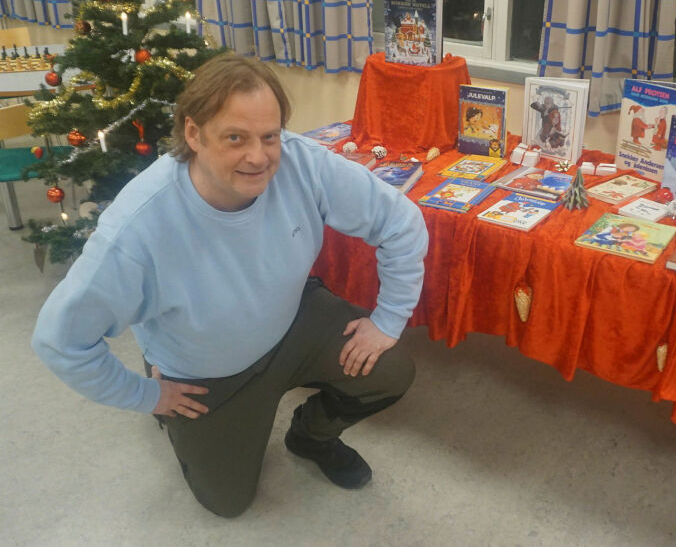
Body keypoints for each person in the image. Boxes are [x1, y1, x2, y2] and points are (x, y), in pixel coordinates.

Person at [31, 53, 429, 518]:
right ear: (194, 134)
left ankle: (311, 434)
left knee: (391, 368)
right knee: (227, 502)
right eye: (235, 138)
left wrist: (389, 318)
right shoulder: (137, 229)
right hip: (205, 368)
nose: (258, 157)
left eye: (269, 136)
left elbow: (401, 223)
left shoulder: (302, 162)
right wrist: (148, 395)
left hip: (290, 317)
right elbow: (61, 342)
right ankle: (160, 371)